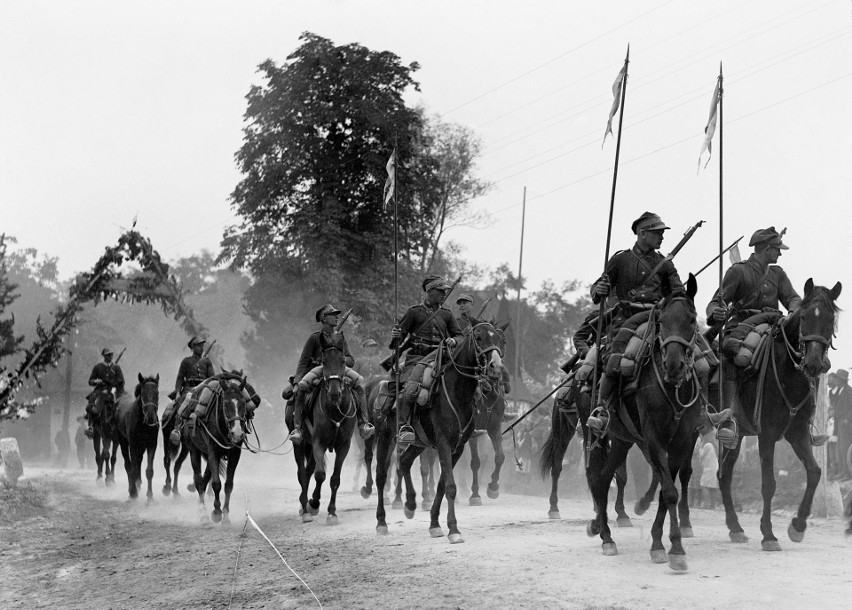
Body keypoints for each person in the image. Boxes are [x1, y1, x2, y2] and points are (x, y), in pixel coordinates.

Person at [585, 211, 727, 436]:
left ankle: (704, 410)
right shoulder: (620, 260)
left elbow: (679, 292)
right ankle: (602, 410)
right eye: (657, 233)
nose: (661, 237)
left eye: (662, 233)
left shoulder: (665, 264)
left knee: (703, 361)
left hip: (661, 318)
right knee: (618, 361)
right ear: (642, 233)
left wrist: (676, 301)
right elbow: (598, 287)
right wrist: (598, 290)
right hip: (628, 320)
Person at [706, 226, 827, 447]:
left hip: (773, 324)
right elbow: (717, 302)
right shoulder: (738, 271)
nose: (780, 254)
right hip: (742, 326)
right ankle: (728, 418)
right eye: (777, 249)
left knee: (808, 357)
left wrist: (794, 311)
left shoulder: (777, 273)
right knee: (733, 354)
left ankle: (805, 422)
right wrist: (715, 311)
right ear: (766, 249)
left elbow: (792, 298)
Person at [390, 275, 464, 446]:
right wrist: (396, 336)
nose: (444, 294)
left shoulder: (446, 314)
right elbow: (397, 342)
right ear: (430, 292)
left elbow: (459, 335)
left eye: (445, 291)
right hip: (417, 358)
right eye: (440, 291)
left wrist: (454, 340)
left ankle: (466, 424)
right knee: (410, 388)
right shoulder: (414, 312)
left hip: (442, 358)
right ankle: (404, 428)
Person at [288, 304, 374, 445]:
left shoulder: (339, 337)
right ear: (323, 319)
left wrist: (338, 359)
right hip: (320, 370)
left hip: (339, 369)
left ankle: (363, 424)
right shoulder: (314, 338)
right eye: (332, 315)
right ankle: (298, 429)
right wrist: (297, 381)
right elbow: (303, 361)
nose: (336, 318)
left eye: (336, 315)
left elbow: (351, 360)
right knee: (302, 387)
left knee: (360, 385)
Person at [169, 336, 216, 443]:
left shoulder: (207, 362)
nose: (201, 348)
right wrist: (177, 393)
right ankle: (177, 429)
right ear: (193, 347)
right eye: (199, 346)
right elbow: (180, 378)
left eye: (202, 346)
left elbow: (212, 378)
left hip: (204, 389)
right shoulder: (186, 361)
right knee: (187, 401)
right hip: (189, 389)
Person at [84, 347, 125, 437]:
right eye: (108, 355)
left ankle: (121, 426)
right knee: (93, 401)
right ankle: (90, 426)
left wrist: (114, 383)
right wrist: (97, 381)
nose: (110, 356)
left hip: (113, 390)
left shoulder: (116, 367)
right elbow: (90, 381)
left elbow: (121, 381)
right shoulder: (98, 367)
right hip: (100, 390)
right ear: (104, 356)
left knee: (121, 405)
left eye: (111, 354)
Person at [830, 369, 852, 480]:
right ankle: (841, 471)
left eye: (838, 378)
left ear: (842, 380)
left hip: (846, 425)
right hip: (839, 423)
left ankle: (847, 473)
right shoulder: (839, 390)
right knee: (839, 448)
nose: (836, 380)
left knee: (845, 448)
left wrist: (847, 419)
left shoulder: (849, 391)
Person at [698, 436, 719, 508]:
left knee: (704, 485)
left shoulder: (707, 445)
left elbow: (701, 455)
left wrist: (700, 448)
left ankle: (706, 504)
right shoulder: (715, 446)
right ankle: (713, 505)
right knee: (712, 487)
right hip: (715, 468)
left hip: (709, 468)